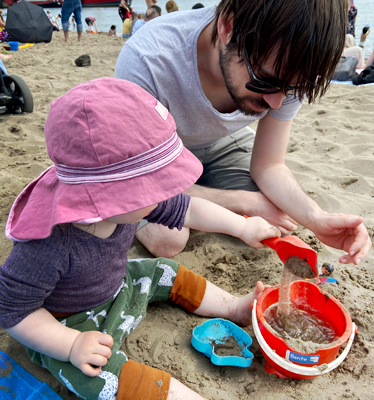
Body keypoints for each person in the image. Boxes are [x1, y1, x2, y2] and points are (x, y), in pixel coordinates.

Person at [0, 77, 279, 400]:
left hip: (119, 284)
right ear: (106, 197)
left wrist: (242, 227)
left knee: (164, 269)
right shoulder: (49, 243)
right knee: (99, 379)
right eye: (150, 187)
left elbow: (189, 209)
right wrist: (70, 345)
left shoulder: (127, 206)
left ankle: (232, 308)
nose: (163, 193)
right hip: (67, 323)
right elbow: (13, 310)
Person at [115, 0, 371, 266]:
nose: (276, 103)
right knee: (168, 239)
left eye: (293, 88)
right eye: (265, 81)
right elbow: (142, 183)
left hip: (222, 143)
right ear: (228, 26)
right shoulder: (148, 59)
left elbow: (269, 165)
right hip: (158, 151)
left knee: (279, 219)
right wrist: (242, 202)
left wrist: (317, 218)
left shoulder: (291, 67)